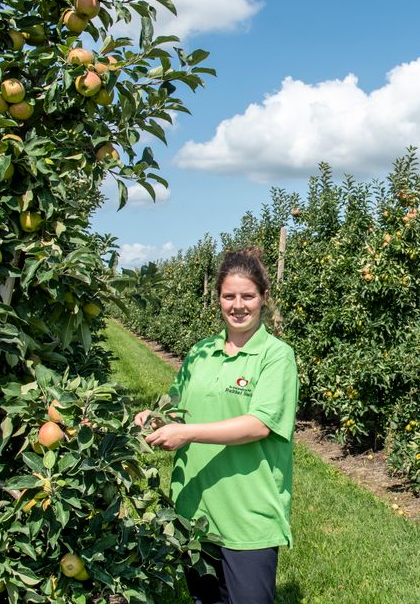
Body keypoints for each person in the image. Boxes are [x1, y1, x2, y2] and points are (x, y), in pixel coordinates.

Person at [135, 248, 299, 604]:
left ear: (263, 298)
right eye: (229, 296)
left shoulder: (276, 356)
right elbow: (178, 409)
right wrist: (155, 418)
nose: (238, 305)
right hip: (194, 510)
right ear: (218, 299)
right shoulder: (200, 352)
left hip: (247, 515)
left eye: (247, 296)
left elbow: (258, 425)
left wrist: (187, 434)